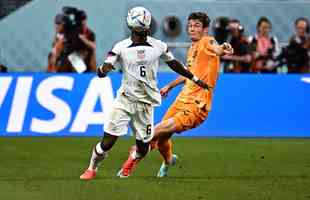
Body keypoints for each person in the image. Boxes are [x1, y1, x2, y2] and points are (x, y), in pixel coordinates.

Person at [79, 7, 213, 180]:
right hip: (124, 101)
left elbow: (174, 64)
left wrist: (194, 78)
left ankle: (135, 159)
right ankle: (91, 169)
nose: (143, 29)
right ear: (132, 26)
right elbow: (104, 68)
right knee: (107, 142)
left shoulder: (158, 45)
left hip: (145, 105)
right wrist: (103, 69)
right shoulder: (121, 47)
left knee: (143, 147)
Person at [117, 12, 234, 178]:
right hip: (182, 99)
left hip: (197, 104)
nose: (192, 28)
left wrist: (223, 48)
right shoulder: (192, 48)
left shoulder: (207, 41)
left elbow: (217, 48)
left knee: (155, 132)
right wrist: (170, 86)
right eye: (191, 25)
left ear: (205, 29)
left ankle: (133, 159)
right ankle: (169, 160)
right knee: (163, 138)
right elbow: (189, 73)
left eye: (197, 26)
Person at [48, 8, 96, 73]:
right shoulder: (63, 34)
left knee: (74, 58)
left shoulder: (88, 33)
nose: (57, 26)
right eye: (56, 23)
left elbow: (93, 47)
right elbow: (55, 50)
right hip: (66, 60)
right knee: (54, 55)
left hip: (81, 61)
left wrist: (83, 39)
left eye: (59, 23)